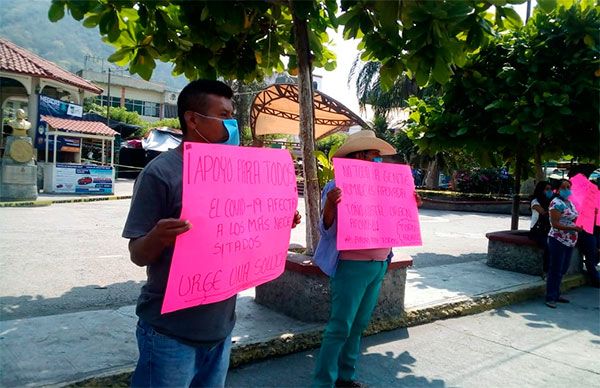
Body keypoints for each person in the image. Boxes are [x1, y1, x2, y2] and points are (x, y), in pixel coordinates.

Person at [122, 79, 300, 387]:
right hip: (169, 332)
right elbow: (138, 255)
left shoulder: (237, 172)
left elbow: (241, 231)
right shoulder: (161, 173)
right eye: (223, 115)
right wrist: (159, 236)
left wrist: (277, 221)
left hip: (221, 328)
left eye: (232, 115)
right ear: (192, 119)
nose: (231, 123)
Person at [312, 130, 422, 388]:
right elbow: (325, 229)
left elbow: (395, 220)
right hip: (352, 266)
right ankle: (323, 383)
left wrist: (410, 205)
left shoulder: (385, 187)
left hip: (379, 264)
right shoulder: (336, 186)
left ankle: (346, 377)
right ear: (358, 156)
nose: (378, 162)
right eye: (374, 157)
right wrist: (330, 204)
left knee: (359, 324)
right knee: (340, 326)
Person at [545, 179, 582, 309]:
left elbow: (574, 217)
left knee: (563, 268)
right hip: (558, 239)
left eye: (568, 187)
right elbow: (555, 224)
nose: (567, 190)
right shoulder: (556, 203)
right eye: (563, 187)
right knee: (555, 268)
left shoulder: (569, 203)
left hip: (570, 240)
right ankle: (550, 296)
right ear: (557, 189)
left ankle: (556, 293)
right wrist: (573, 228)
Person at [528, 180, 553, 277]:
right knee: (548, 246)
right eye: (547, 189)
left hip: (549, 229)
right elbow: (543, 213)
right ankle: (546, 271)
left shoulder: (552, 201)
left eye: (550, 189)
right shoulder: (535, 201)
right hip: (537, 230)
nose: (549, 191)